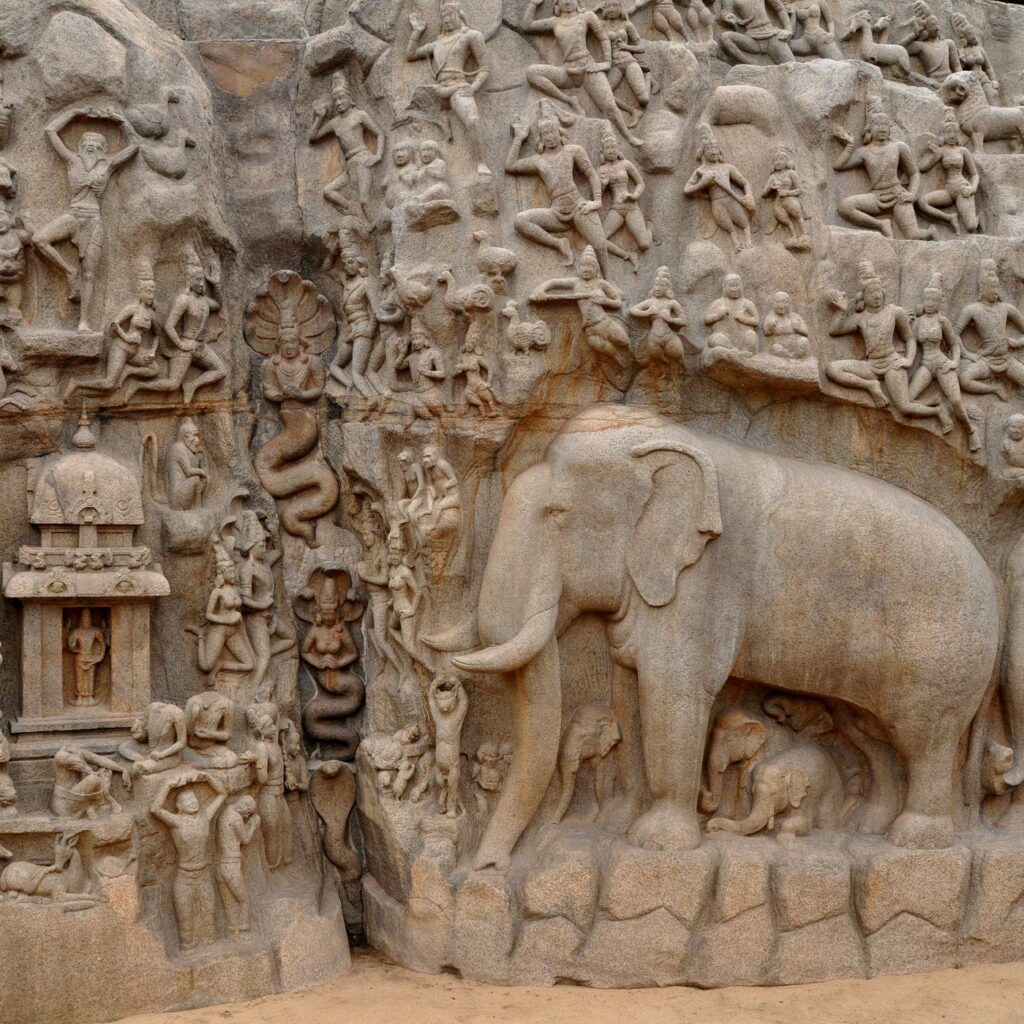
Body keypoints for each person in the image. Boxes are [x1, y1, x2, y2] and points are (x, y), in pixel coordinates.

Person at [33, 106, 139, 332]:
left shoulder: (107, 165)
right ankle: (69, 272)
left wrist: (120, 120)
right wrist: (73, 113)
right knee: (39, 240)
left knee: (90, 273)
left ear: (103, 149)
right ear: (80, 146)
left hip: (93, 220)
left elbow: (134, 145)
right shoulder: (72, 160)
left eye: (97, 143)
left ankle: (84, 322)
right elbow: (51, 130)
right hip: (73, 214)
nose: (91, 145)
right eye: (87, 142)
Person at [826, 260, 949, 432]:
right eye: (871, 293)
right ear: (863, 296)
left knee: (904, 407)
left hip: (893, 363)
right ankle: (870, 386)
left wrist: (908, 360)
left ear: (883, 292)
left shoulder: (894, 312)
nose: (876, 296)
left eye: (878, 292)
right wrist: (841, 309)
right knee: (833, 369)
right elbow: (835, 330)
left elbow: (909, 338)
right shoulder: (861, 317)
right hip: (871, 366)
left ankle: (938, 410)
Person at [522, 0, 643, 147]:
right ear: (557, 5)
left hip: (588, 69)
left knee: (609, 106)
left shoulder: (587, 16)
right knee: (532, 72)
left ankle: (628, 137)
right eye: (562, 0)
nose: (567, 2)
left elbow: (603, 38)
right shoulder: (554, 21)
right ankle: (569, 100)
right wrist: (533, 4)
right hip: (567, 71)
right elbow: (527, 26)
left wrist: (606, 62)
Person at [505, 109, 611, 273]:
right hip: (556, 213)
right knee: (520, 221)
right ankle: (559, 243)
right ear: (541, 138)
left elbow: (591, 174)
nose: (550, 136)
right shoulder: (538, 161)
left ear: (559, 132)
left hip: (579, 207)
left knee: (600, 245)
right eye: (545, 133)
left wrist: (596, 201)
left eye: (552, 131)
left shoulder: (573, 151)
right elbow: (510, 166)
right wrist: (519, 137)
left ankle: (609, 280)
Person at [124, 253, 227, 403]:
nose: (201, 283)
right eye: (198, 280)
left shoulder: (204, 300)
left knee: (221, 371)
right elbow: (168, 326)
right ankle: (138, 385)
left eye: (202, 279)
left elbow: (218, 305)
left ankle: (192, 385)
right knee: (172, 385)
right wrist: (181, 344)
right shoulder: (183, 300)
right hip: (185, 346)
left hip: (200, 347)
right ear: (189, 281)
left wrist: (215, 284)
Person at [406, 1, 492, 176]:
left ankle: (481, 163)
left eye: (450, 15)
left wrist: (473, 87)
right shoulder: (437, 43)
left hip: (457, 86)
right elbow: (410, 55)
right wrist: (416, 32)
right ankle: (442, 124)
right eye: (443, 16)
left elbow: (485, 68)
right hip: (438, 89)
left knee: (472, 120)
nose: (447, 20)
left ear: (459, 15)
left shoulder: (471, 36)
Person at [831, 104, 936, 241]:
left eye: (885, 125)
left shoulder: (899, 147)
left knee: (912, 235)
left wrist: (911, 194)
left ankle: (932, 232)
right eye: (878, 125)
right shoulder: (865, 151)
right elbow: (838, 166)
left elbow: (914, 173)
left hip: (898, 196)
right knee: (845, 206)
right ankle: (881, 224)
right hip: (876, 197)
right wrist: (849, 145)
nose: (882, 128)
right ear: (869, 129)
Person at [149, 770, 226, 949]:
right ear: (179, 807)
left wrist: (208, 778)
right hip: (184, 877)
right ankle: (187, 944)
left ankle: (210, 942)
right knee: (185, 922)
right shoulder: (176, 821)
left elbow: (222, 794)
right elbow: (155, 809)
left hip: (204, 874)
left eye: (194, 799)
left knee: (209, 916)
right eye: (187, 801)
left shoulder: (205, 817)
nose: (192, 802)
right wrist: (168, 785)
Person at [65, 263, 161, 403]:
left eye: (153, 292)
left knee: (154, 369)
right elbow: (113, 325)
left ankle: (128, 371)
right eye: (148, 291)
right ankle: (76, 383)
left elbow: (157, 334)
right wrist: (127, 337)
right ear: (140, 292)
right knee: (110, 384)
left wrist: (152, 351)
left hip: (135, 352)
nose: (151, 295)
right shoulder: (132, 309)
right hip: (121, 347)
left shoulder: (151, 314)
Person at [907, 273, 980, 450]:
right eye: (927, 299)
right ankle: (936, 404)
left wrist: (954, 362)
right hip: (925, 364)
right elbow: (911, 344)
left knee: (956, 401)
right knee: (908, 399)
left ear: (940, 302)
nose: (930, 302)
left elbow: (955, 344)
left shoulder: (942, 321)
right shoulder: (918, 322)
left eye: (934, 299)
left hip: (941, 363)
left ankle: (971, 431)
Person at [309, 71, 382, 215]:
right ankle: (354, 213)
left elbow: (379, 134)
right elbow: (313, 137)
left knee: (365, 201)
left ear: (350, 97)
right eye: (335, 99)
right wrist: (320, 117)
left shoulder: (359, 115)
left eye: (342, 98)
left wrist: (378, 156)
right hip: (349, 165)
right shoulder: (335, 123)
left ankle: (372, 225)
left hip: (362, 160)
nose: (338, 102)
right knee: (328, 191)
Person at [956, 259, 1024, 400]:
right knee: (964, 379)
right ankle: (995, 389)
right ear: (983, 287)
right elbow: (953, 334)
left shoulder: (1006, 308)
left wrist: (1018, 343)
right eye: (992, 287)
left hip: (1007, 359)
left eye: (997, 286)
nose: (996, 291)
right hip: (986, 360)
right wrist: (967, 354)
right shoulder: (972, 309)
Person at [683, 128, 756, 253]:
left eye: (715, 148)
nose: (713, 151)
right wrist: (702, 183)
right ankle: (736, 244)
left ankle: (749, 241)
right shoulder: (701, 171)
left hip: (731, 199)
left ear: (720, 151)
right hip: (717, 203)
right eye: (709, 148)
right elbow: (687, 189)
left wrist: (748, 194)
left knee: (743, 222)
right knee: (728, 226)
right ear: (703, 153)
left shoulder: (727, 167)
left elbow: (744, 182)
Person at [916, 108, 980, 235]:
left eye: (954, 132)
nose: (952, 135)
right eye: (948, 132)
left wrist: (972, 188)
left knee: (971, 227)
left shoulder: (963, 151)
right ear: (943, 134)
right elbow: (922, 168)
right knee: (922, 202)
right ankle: (950, 218)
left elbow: (974, 174)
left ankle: (980, 217)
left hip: (963, 189)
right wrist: (934, 155)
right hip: (949, 191)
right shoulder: (941, 151)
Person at [597, 125, 651, 270]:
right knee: (600, 239)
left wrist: (634, 195)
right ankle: (627, 255)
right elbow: (597, 197)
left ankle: (649, 230)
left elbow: (640, 183)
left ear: (618, 149)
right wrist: (602, 185)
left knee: (645, 244)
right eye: (607, 149)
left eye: (613, 148)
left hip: (631, 206)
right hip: (616, 208)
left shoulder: (626, 164)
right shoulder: (602, 170)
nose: (611, 151)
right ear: (602, 152)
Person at [630, 266, 687, 376]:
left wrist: (671, 319)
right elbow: (633, 310)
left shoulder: (672, 303)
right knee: (656, 357)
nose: (657, 288)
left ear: (667, 288)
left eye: (661, 285)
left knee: (679, 355)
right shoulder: (651, 301)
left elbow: (683, 320)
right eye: (656, 285)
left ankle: (682, 368)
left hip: (669, 336)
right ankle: (665, 371)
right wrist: (647, 313)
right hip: (654, 337)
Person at [215, 795, 260, 936]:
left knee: (229, 903)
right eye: (248, 812)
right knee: (243, 900)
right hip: (231, 865)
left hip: (220, 865)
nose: (247, 815)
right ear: (245, 807)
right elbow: (245, 839)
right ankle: (244, 930)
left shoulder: (226, 810)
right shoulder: (236, 818)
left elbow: (234, 835)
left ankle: (231, 931)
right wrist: (253, 825)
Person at [428, 675, 469, 817]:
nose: (444, 702)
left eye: (448, 698)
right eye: (442, 699)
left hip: (452, 765)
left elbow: (464, 702)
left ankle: (452, 808)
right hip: (439, 764)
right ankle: (442, 801)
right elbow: (431, 701)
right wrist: (434, 686)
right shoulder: (438, 718)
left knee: (452, 786)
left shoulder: (456, 718)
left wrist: (458, 684)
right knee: (441, 784)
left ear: (454, 698)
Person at [50, 745, 131, 819]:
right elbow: (82, 766)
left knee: (102, 773)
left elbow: (98, 759)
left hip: (76, 794)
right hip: (64, 804)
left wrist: (122, 769)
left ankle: (93, 805)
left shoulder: (75, 750)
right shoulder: (61, 756)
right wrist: (98, 774)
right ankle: (103, 801)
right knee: (94, 779)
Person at [66, 608, 107, 707]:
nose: (86, 620)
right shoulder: (77, 631)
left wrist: (100, 656)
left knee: (90, 678)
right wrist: (73, 645)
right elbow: (70, 645)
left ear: (91, 619)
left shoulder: (95, 631)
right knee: (80, 679)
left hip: (91, 658)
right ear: (81, 619)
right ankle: (80, 698)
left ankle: (90, 698)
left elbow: (102, 644)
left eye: (88, 618)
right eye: (84, 618)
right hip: (80, 658)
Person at [763, 292, 811, 360]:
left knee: (804, 340)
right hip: (780, 346)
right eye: (778, 302)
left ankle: (797, 357)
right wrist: (771, 328)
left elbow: (806, 332)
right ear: (774, 304)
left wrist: (798, 329)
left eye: (784, 302)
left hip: (795, 346)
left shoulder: (795, 316)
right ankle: (790, 356)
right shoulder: (770, 317)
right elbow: (766, 332)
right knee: (775, 348)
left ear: (789, 304)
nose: (781, 305)